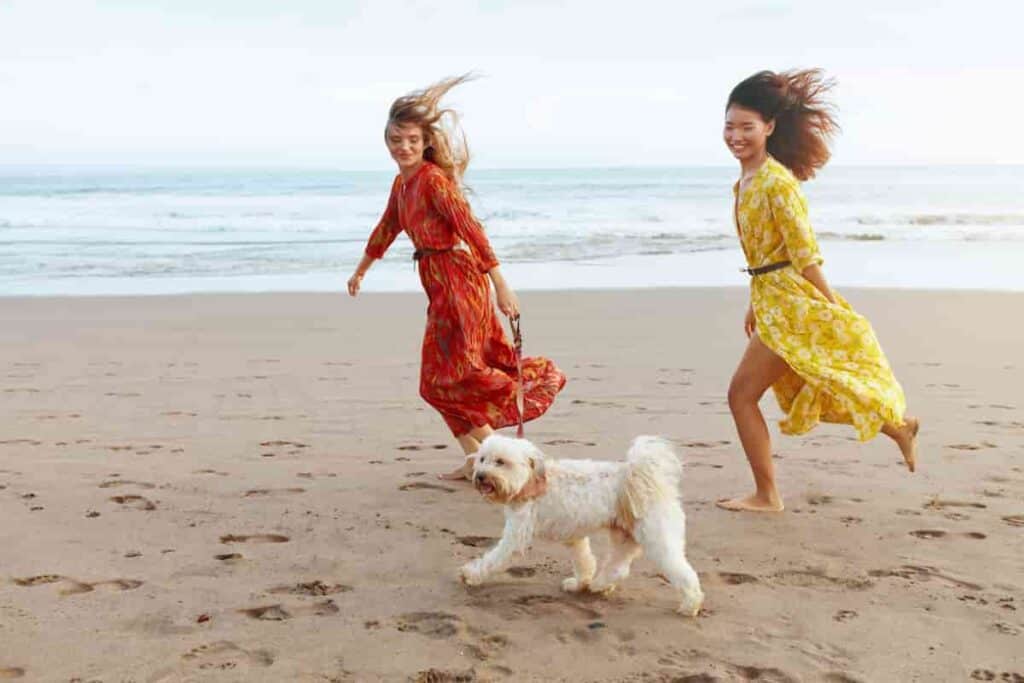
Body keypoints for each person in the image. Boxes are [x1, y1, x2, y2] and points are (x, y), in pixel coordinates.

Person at [718, 69, 919, 513]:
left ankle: (767, 495)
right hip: (772, 300)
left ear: (769, 127)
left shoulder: (776, 182)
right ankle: (898, 427)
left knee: (742, 396)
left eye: (746, 127)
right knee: (816, 380)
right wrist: (755, 300)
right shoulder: (744, 182)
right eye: (730, 125)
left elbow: (804, 253)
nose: (736, 135)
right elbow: (765, 254)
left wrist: (830, 305)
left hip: (791, 306)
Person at [347, 75, 566, 480]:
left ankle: (507, 459)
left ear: (425, 141)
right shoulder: (402, 184)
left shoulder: (433, 181)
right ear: (387, 141)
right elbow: (387, 227)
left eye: (412, 139)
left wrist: (501, 284)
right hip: (438, 285)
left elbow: (470, 229)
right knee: (434, 384)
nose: (404, 147)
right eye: (396, 139)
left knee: (457, 377)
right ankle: (477, 463)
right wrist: (361, 269)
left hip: (461, 283)